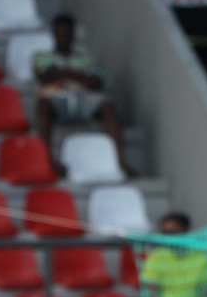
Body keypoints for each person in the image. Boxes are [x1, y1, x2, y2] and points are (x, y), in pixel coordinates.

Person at [33, 13, 135, 177]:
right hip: (56, 100)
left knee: (107, 106)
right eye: (61, 32)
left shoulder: (85, 58)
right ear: (54, 33)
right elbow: (43, 76)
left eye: (68, 32)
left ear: (73, 34)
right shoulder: (42, 57)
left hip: (82, 99)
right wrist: (77, 75)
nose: (64, 36)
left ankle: (120, 162)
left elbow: (96, 82)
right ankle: (47, 162)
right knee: (43, 105)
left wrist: (60, 73)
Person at [141, 212, 207, 297]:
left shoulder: (199, 256)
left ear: (185, 230)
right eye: (166, 232)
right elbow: (152, 292)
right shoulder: (156, 256)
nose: (169, 236)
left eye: (173, 232)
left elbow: (206, 291)